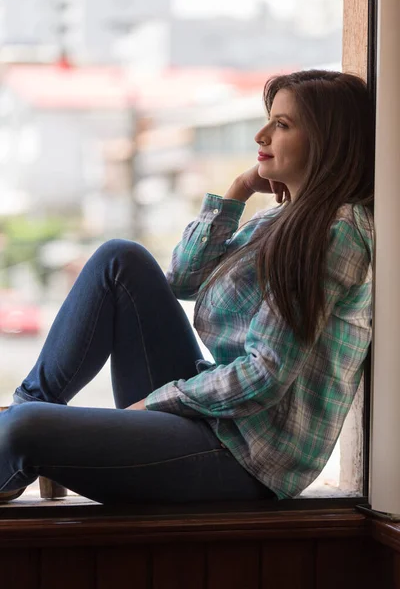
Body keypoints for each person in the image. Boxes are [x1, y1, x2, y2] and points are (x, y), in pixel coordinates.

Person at [0, 69, 374, 505]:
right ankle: (21, 408)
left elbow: (264, 375)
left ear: (328, 143)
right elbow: (183, 279)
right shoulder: (282, 219)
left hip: (246, 458)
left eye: (282, 125)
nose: (262, 134)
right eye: (269, 119)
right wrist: (235, 195)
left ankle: (16, 433)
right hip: (217, 420)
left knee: (26, 430)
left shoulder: (334, 233)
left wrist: (159, 402)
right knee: (120, 260)